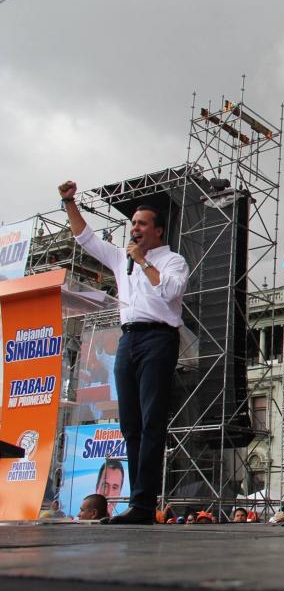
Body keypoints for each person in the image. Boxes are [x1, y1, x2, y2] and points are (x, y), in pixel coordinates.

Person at [60, 181, 188, 525]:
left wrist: (143, 262)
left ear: (158, 231)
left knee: (151, 422)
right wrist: (69, 202)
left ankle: (145, 503)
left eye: (142, 224)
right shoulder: (120, 257)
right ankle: (138, 505)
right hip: (128, 339)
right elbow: (85, 238)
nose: (135, 228)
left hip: (159, 339)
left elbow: (172, 291)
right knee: (130, 424)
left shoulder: (172, 260)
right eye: (133, 224)